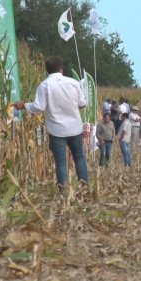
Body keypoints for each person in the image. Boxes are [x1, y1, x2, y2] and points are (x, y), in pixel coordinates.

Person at [14, 56, 88, 190]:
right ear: (61, 69)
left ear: (47, 71)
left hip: (57, 130)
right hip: (75, 128)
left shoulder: (45, 85)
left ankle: (63, 190)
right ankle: (84, 185)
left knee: (60, 162)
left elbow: (38, 107)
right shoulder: (73, 83)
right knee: (79, 157)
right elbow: (82, 103)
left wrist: (23, 105)